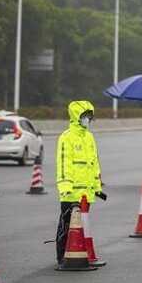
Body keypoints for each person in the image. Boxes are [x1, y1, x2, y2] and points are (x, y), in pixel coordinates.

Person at [56, 100, 105, 265]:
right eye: (85, 116)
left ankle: (80, 254)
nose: (88, 119)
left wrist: (97, 187)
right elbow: (63, 164)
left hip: (86, 193)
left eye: (90, 117)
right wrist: (65, 186)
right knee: (66, 226)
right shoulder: (66, 137)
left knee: (82, 227)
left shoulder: (89, 138)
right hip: (70, 193)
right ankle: (62, 256)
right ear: (77, 116)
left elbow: (94, 164)